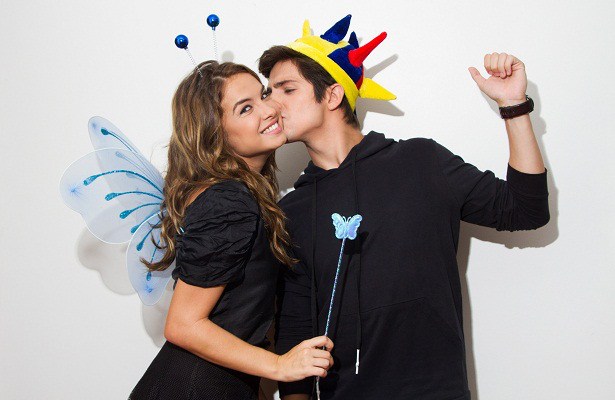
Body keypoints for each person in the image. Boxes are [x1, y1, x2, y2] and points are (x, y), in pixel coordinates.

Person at [258, 15, 550, 399]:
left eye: (287, 89)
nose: (271, 103)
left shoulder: (422, 162)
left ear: (332, 95)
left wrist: (513, 106)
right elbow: (296, 329)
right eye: (268, 92)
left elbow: (526, 209)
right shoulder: (292, 210)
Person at [129, 61, 334, 400]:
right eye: (246, 108)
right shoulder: (229, 201)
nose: (270, 109)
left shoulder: (233, 195)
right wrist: (279, 365)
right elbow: (183, 325)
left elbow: (235, 316)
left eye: (263, 95)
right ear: (216, 135)